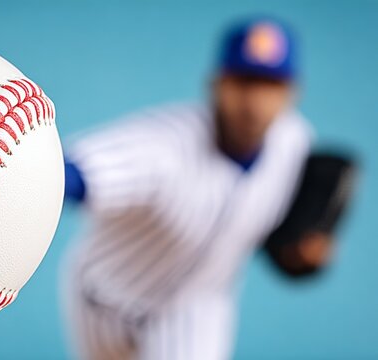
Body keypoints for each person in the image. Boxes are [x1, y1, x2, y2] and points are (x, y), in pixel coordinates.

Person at [60, 17, 355, 360]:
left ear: (292, 92)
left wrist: (303, 249)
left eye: (270, 84)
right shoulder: (166, 144)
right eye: (244, 82)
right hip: (103, 299)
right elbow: (70, 174)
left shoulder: (295, 144)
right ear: (217, 84)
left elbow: (278, 236)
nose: (255, 101)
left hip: (194, 311)